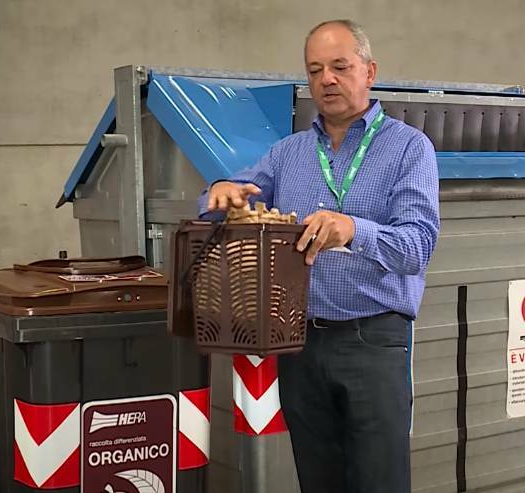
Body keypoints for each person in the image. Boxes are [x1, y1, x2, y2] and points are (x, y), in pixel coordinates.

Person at [198, 19, 439, 493]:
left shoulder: (409, 148)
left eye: (339, 66)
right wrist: (219, 190)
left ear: (369, 72)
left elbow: (417, 247)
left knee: (379, 481)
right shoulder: (288, 153)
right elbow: (228, 198)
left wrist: (354, 230)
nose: (326, 79)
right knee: (317, 479)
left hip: (373, 340)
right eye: (314, 70)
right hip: (300, 344)